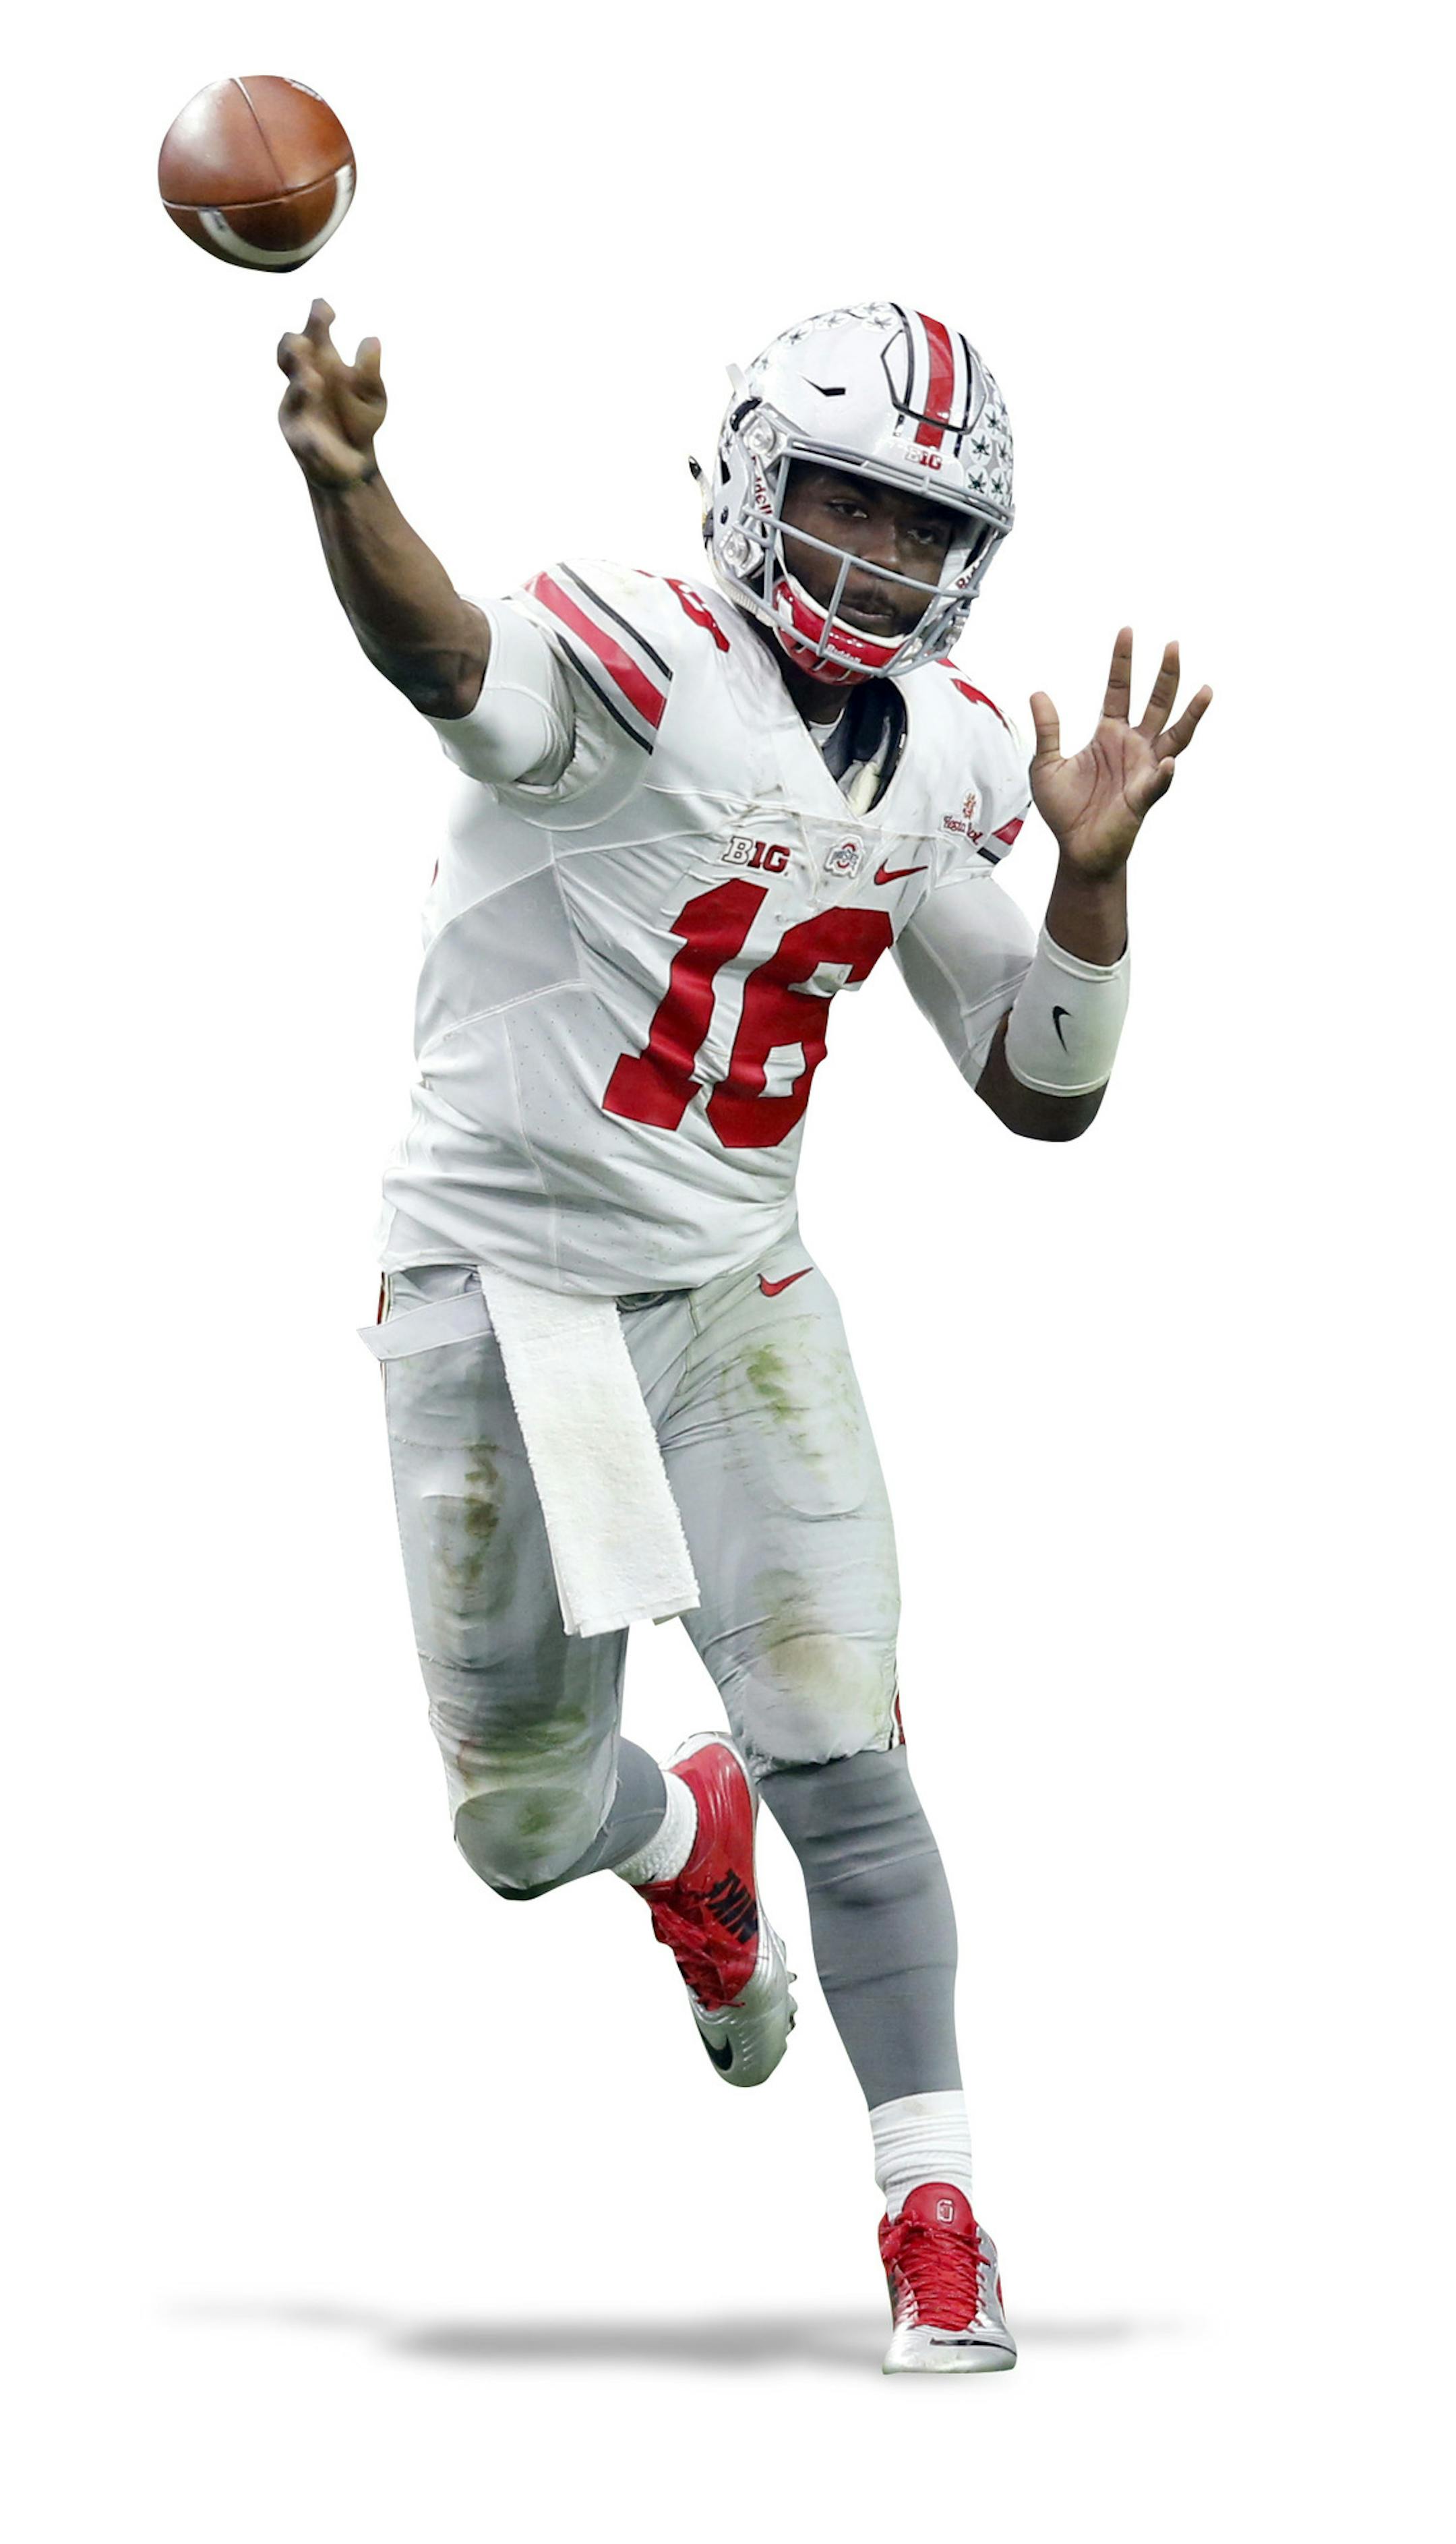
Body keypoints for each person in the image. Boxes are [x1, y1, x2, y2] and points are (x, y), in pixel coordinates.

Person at [276, 296, 1211, 2373]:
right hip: (495, 1296)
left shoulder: (959, 747)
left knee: (849, 1761)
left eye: (917, 532)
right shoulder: (638, 655)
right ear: (747, 477)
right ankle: (676, 1843)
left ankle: (935, 2208)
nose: (876, 564)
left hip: (730, 1295)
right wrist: (352, 487)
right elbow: (447, 659)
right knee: (519, 1829)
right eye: (847, 509)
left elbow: (1046, 1091)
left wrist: (1092, 881)